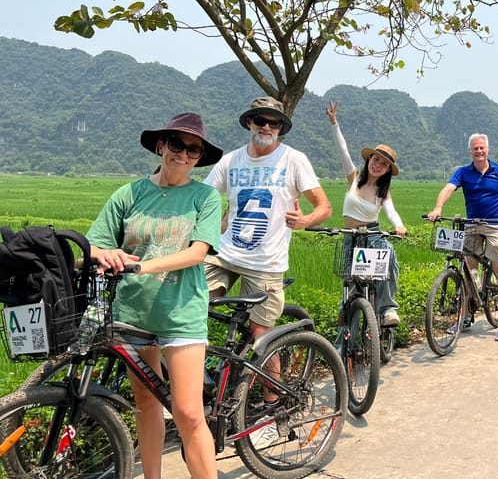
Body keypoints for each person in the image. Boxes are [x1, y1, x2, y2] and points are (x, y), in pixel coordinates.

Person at [87, 112, 223, 479]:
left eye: (193, 149)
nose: (183, 154)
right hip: (132, 312)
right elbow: (95, 243)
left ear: (199, 157)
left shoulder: (205, 197)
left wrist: (141, 266)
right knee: (146, 404)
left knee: (188, 412)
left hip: (181, 312)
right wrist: (106, 254)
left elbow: (198, 252)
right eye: (176, 144)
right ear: (161, 146)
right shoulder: (129, 193)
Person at [204, 97, 332, 346]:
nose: (267, 128)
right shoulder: (230, 161)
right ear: (250, 122)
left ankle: (272, 385)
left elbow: (324, 207)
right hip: (225, 253)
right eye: (261, 121)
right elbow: (202, 198)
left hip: (265, 262)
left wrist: (305, 220)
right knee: (192, 307)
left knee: (262, 339)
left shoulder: (293, 160)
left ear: (281, 129)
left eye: (274, 124)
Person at [427, 133, 498, 342]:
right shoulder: (463, 172)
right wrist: (438, 207)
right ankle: (466, 314)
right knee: (469, 268)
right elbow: (448, 188)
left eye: (482, 148)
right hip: (472, 224)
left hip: (496, 226)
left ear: (487, 149)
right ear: (470, 151)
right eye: (475, 148)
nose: (479, 151)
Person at [326, 101, 406, 326]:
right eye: (376, 159)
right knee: (351, 289)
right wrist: (334, 123)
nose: (378, 165)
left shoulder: (383, 191)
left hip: (372, 237)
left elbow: (391, 212)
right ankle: (345, 345)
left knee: (389, 259)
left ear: (388, 170)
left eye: (384, 164)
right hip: (350, 236)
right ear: (368, 159)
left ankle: (388, 308)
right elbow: (342, 149)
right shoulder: (352, 178)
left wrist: (399, 225)